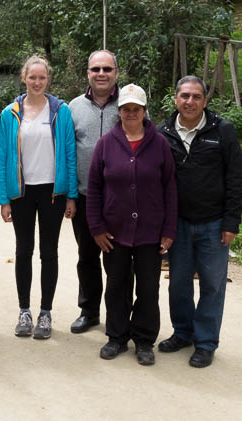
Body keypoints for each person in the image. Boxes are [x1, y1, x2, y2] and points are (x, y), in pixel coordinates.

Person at [157, 76, 242, 368]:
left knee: (212, 285)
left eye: (196, 96)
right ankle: (183, 332)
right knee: (178, 284)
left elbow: (235, 179)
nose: (190, 101)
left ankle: (206, 343)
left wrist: (231, 222)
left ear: (205, 101)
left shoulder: (222, 131)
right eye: (184, 96)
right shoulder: (164, 133)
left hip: (214, 224)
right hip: (178, 225)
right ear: (175, 99)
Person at [87, 84, 177, 365]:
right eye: (126, 109)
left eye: (136, 109)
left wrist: (169, 229)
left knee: (148, 289)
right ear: (120, 111)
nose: (130, 113)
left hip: (151, 232)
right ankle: (116, 336)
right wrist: (97, 228)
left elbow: (170, 188)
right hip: (114, 232)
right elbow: (95, 188)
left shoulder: (159, 143)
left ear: (144, 111)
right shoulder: (106, 143)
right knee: (116, 287)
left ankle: (144, 339)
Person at [0, 55, 77, 340]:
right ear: (24, 78)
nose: (38, 82)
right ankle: (24, 311)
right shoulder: (10, 113)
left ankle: (45, 313)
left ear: (48, 79)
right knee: (23, 250)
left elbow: (69, 152)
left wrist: (72, 195)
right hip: (22, 192)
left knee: (49, 252)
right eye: (33, 77)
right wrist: (4, 198)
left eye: (42, 77)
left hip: (53, 191)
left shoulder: (61, 111)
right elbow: (3, 155)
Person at [68, 50, 120, 334]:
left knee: (118, 260)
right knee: (86, 256)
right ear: (87, 73)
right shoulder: (73, 108)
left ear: (116, 73)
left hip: (122, 200)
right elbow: (67, 153)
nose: (101, 74)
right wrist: (70, 195)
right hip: (86, 197)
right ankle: (88, 312)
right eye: (96, 69)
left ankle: (118, 313)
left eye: (107, 69)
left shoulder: (130, 105)